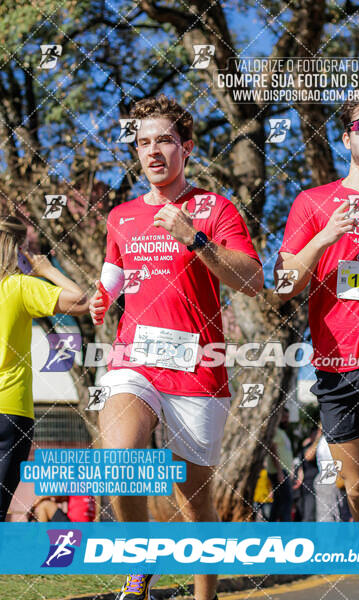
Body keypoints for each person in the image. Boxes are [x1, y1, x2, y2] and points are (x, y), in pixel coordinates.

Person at [89, 94, 264, 600]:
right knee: (119, 458)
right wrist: (104, 300)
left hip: (197, 368)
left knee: (196, 502)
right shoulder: (121, 216)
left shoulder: (213, 207)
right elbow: (115, 273)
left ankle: (203, 594)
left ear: (186, 147)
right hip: (134, 359)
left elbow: (252, 281)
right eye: (143, 142)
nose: (153, 151)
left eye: (164, 140)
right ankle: (139, 569)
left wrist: (195, 239)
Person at [275, 86, 359, 600]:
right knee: (356, 487)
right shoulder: (313, 203)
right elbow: (283, 285)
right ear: (347, 137)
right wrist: (324, 237)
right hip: (333, 366)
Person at [0, 216, 89, 521]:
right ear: (19, 249)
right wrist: (48, 270)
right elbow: (81, 300)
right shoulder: (20, 287)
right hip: (10, 410)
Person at [266, 407, 294, 521]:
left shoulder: (282, 432)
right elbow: (273, 450)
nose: (286, 420)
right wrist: (279, 472)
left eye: (287, 417)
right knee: (287, 502)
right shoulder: (276, 431)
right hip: (279, 471)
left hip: (283, 471)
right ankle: (286, 531)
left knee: (278, 503)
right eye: (284, 417)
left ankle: (272, 528)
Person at [27, 495, 96, 522]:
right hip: (87, 530)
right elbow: (60, 498)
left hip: (74, 528)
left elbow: (57, 495)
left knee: (45, 505)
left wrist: (37, 501)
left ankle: (42, 543)